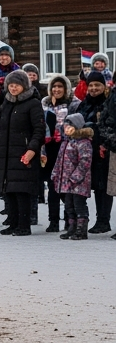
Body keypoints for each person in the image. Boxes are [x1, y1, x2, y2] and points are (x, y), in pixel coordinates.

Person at [0, 69, 45, 236]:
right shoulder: (6, 103)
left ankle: (24, 225)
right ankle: (13, 223)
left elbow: (39, 130)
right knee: (9, 190)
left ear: (24, 86)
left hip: (23, 153)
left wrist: (32, 149)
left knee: (22, 190)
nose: (13, 88)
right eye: (11, 85)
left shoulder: (33, 104)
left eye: (17, 85)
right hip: (5, 154)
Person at [69, 70, 111, 234]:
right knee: (87, 185)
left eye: (97, 85)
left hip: (102, 149)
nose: (93, 88)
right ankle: (81, 220)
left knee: (102, 187)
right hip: (84, 152)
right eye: (91, 85)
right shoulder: (84, 104)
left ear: (103, 86)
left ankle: (103, 220)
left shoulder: (107, 103)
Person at [51, 112, 93, 241]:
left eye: (69, 127)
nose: (66, 129)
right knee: (68, 205)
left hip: (79, 182)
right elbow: (59, 160)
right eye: (65, 127)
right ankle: (72, 227)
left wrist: (76, 176)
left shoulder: (83, 143)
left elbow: (85, 161)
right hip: (66, 181)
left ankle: (81, 229)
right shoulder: (65, 142)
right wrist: (55, 173)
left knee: (79, 204)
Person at [42, 74, 73, 233]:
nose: (56, 89)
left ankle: (69, 219)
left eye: (60, 86)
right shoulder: (45, 104)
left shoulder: (73, 104)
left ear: (66, 89)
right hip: (49, 148)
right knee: (52, 185)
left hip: (66, 148)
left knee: (65, 186)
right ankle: (53, 221)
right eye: (54, 86)